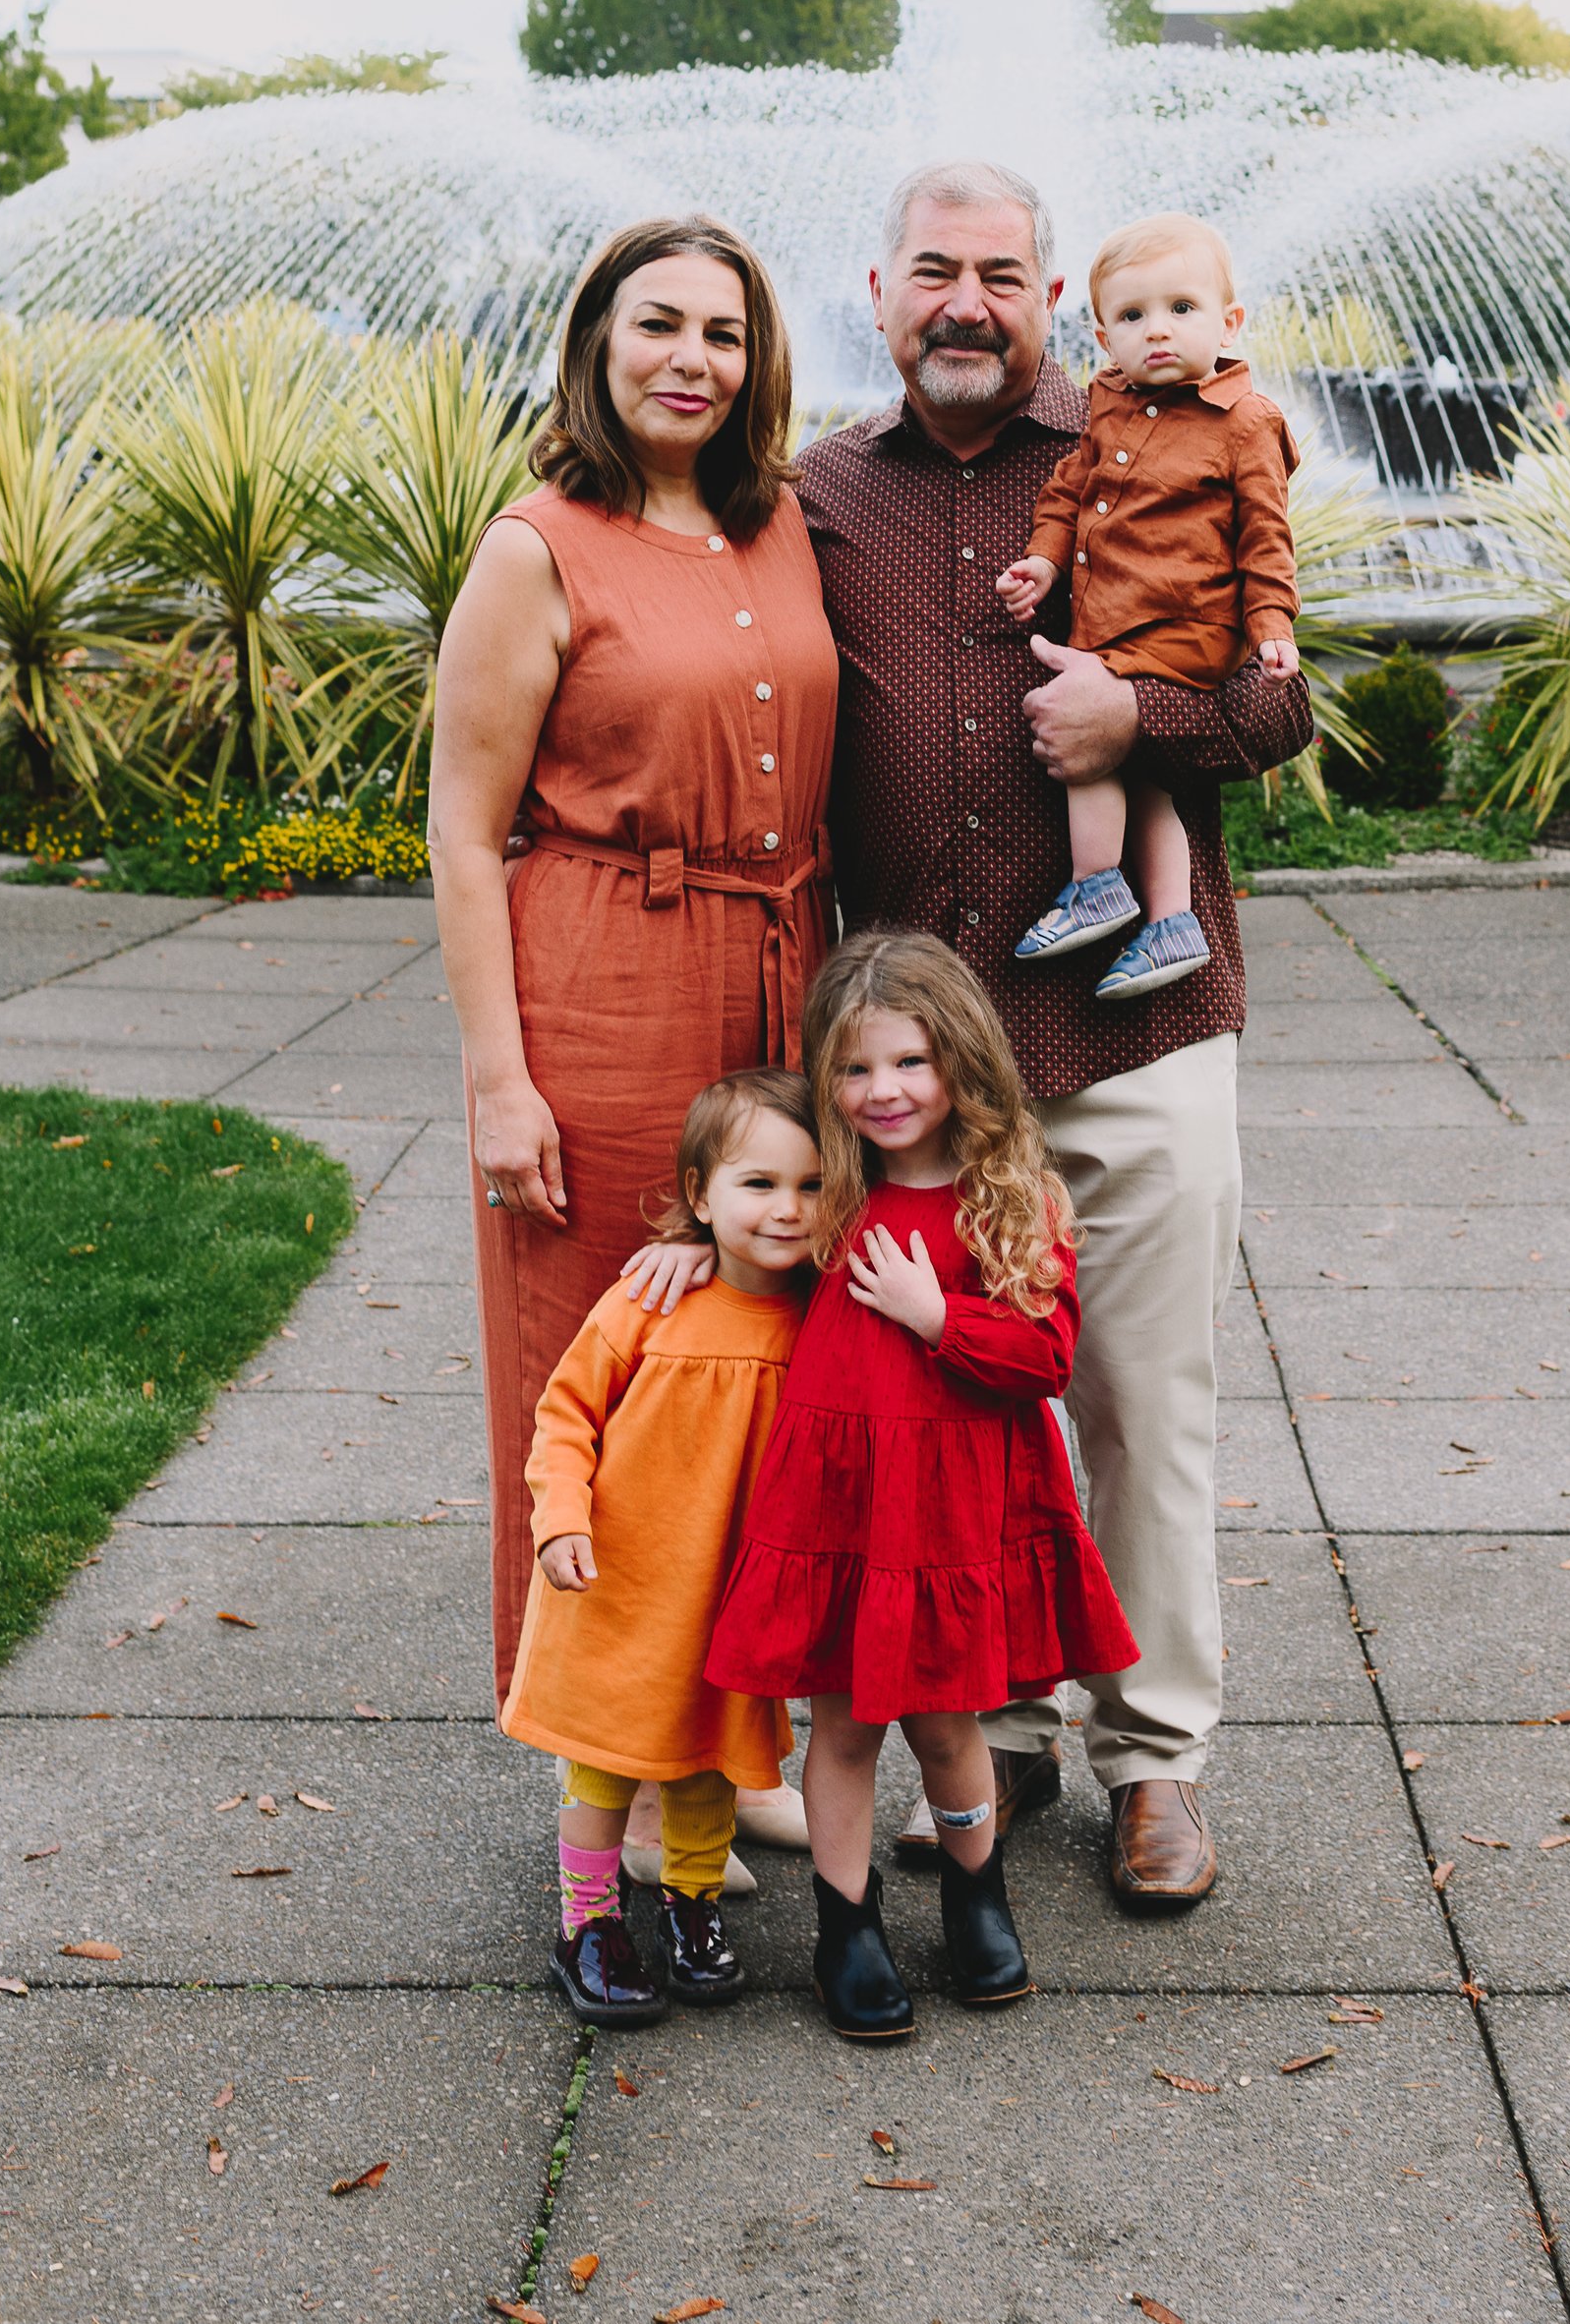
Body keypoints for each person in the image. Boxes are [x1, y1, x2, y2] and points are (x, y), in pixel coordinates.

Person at [793, 162, 1311, 1908]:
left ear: (1051, 301)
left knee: (1143, 1406)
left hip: (1137, 1026)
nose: (965, 301)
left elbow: (1276, 703)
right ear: (877, 291)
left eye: (1001, 274)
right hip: (929, 1088)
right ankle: (995, 1729)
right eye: (934, 271)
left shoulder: (1161, 438)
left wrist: (1139, 707)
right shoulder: (820, 494)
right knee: (953, 1412)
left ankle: (1155, 1759)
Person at [430, 213, 838, 1879]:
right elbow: (464, 828)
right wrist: (497, 1075)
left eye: (724, 334)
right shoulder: (539, 545)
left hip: (775, 986)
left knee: (751, 1376)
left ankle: (722, 1750)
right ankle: (595, 1752)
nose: (691, 357)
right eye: (658, 323)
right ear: (597, 340)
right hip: (598, 989)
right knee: (594, 1373)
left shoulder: (784, 524)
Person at [705, 930, 1134, 2041]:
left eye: (908, 1062)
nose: (881, 1090)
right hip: (843, 1499)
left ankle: (973, 1890)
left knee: (951, 1724)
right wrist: (678, 1245)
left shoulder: (1011, 1192)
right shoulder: (829, 1189)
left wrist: (936, 1317)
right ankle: (845, 1924)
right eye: (853, 1068)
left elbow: (1044, 1354)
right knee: (841, 1725)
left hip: (950, 1504)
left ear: (961, 1062)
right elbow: (741, 1224)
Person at [501, 1069, 821, 2030]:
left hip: (731, 1588)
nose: (786, 1207)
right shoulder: (647, 1300)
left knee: (705, 1760)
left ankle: (691, 1903)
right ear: (700, 1195)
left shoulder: (820, 1319)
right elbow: (565, 1415)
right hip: (623, 1579)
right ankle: (588, 1922)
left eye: (811, 1186)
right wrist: (561, 1517)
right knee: (601, 1763)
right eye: (758, 1183)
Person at [1000, 212, 1300, 1000]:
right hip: (1119, 624)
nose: (1156, 331)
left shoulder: (1245, 421)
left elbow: (1265, 535)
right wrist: (1042, 558)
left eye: (1181, 309)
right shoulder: (1111, 405)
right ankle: (1172, 921)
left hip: (1186, 628)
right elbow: (1070, 488)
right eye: (1132, 316)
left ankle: (1097, 881)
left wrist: (1272, 625)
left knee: (1084, 726)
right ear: (1103, 337)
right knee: (1149, 774)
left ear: (1229, 321)